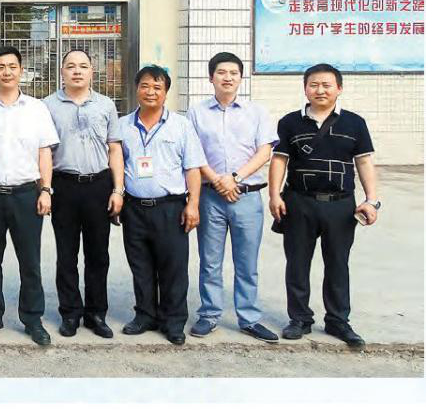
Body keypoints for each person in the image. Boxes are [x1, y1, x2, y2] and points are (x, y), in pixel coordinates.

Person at [268, 63, 379, 349]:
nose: (320, 90)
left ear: (339, 88)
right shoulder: (290, 122)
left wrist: (371, 200)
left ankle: (338, 320)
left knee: (338, 264)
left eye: (327, 85)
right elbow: (279, 160)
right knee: (297, 263)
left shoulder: (355, 123)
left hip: (340, 206)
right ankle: (299, 319)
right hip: (299, 203)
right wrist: (274, 195)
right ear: (305, 88)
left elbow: (364, 162)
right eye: (314, 84)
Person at [187, 52, 279, 343]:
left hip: (246, 197)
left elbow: (265, 151)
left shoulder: (257, 112)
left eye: (233, 73)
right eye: (221, 72)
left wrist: (235, 178)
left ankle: (249, 318)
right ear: (210, 77)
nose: (227, 78)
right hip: (210, 196)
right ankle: (209, 314)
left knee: (246, 262)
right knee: (210, 261)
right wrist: (217, 180)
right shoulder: (196, 112)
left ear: (241, 77)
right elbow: (192, 152)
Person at [0, 46, 59, 346]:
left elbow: (45, 151)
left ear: (21, 70)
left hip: (26, 194)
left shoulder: (37, 108)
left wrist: (45, 189)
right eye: (1, 67)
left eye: (12, 66)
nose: (7, 72)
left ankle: (33, 319)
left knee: (30, 261)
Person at [117, 65, 205, 346]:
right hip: (134, 207)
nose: (150, 92)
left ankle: (173, 321)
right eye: (145, 86)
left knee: (173, 267)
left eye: (157, 87)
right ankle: (145, 315)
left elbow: (193, 168)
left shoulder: (181, 125)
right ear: (136, 89)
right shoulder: (123, 126)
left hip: (170, 207)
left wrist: (193, 204)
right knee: (140, 266)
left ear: (166, 92)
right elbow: (118, 163)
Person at [42, 49, 124, 339]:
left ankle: (96, 313)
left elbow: (114, 148)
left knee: (98, 254)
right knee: (66, 255)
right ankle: (70, 313)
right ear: (62, 72)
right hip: (64, 186)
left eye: (83, 66)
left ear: (92, 71)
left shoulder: (106, 105)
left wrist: (118, 189)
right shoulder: (47, 106)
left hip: (98, 185)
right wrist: (45, 189)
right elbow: (44, 152)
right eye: (70, 66)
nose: (77, 71)